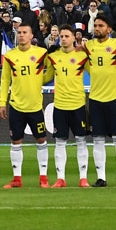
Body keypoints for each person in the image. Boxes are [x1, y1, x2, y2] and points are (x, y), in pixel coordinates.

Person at [83, 16, 116, 187]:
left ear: (109, 29)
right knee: (97, 139)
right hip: (95, 99)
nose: (96, 28)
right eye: (95, 25)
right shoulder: (88, 46)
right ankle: (101, 177)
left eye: (101, 26)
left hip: (114, 98)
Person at [0, 22, 50, 189]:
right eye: (19, 32)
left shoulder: (42, 53)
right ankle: (17, 179)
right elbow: (5, 80)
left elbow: (52, 70)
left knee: (41, 140)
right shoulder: (10, 55)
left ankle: (43, 179)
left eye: (24, 32)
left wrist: (39, 80)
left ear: (31, 36)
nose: (21, 35)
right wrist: (2, 103)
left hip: (35, 106)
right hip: (16, 105)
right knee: (16, 142)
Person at [45, 26, 91, 188]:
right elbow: (47, 77)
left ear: (74, 38)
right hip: (60, 105)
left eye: (67, 36)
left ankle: (83, 178)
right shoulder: (53, 56)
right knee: (60, 142)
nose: (63, 38)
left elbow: (96, 73)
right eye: (62, 36)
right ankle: (60, 178)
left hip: (78, 104)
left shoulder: (82, 56)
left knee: (81, 141)